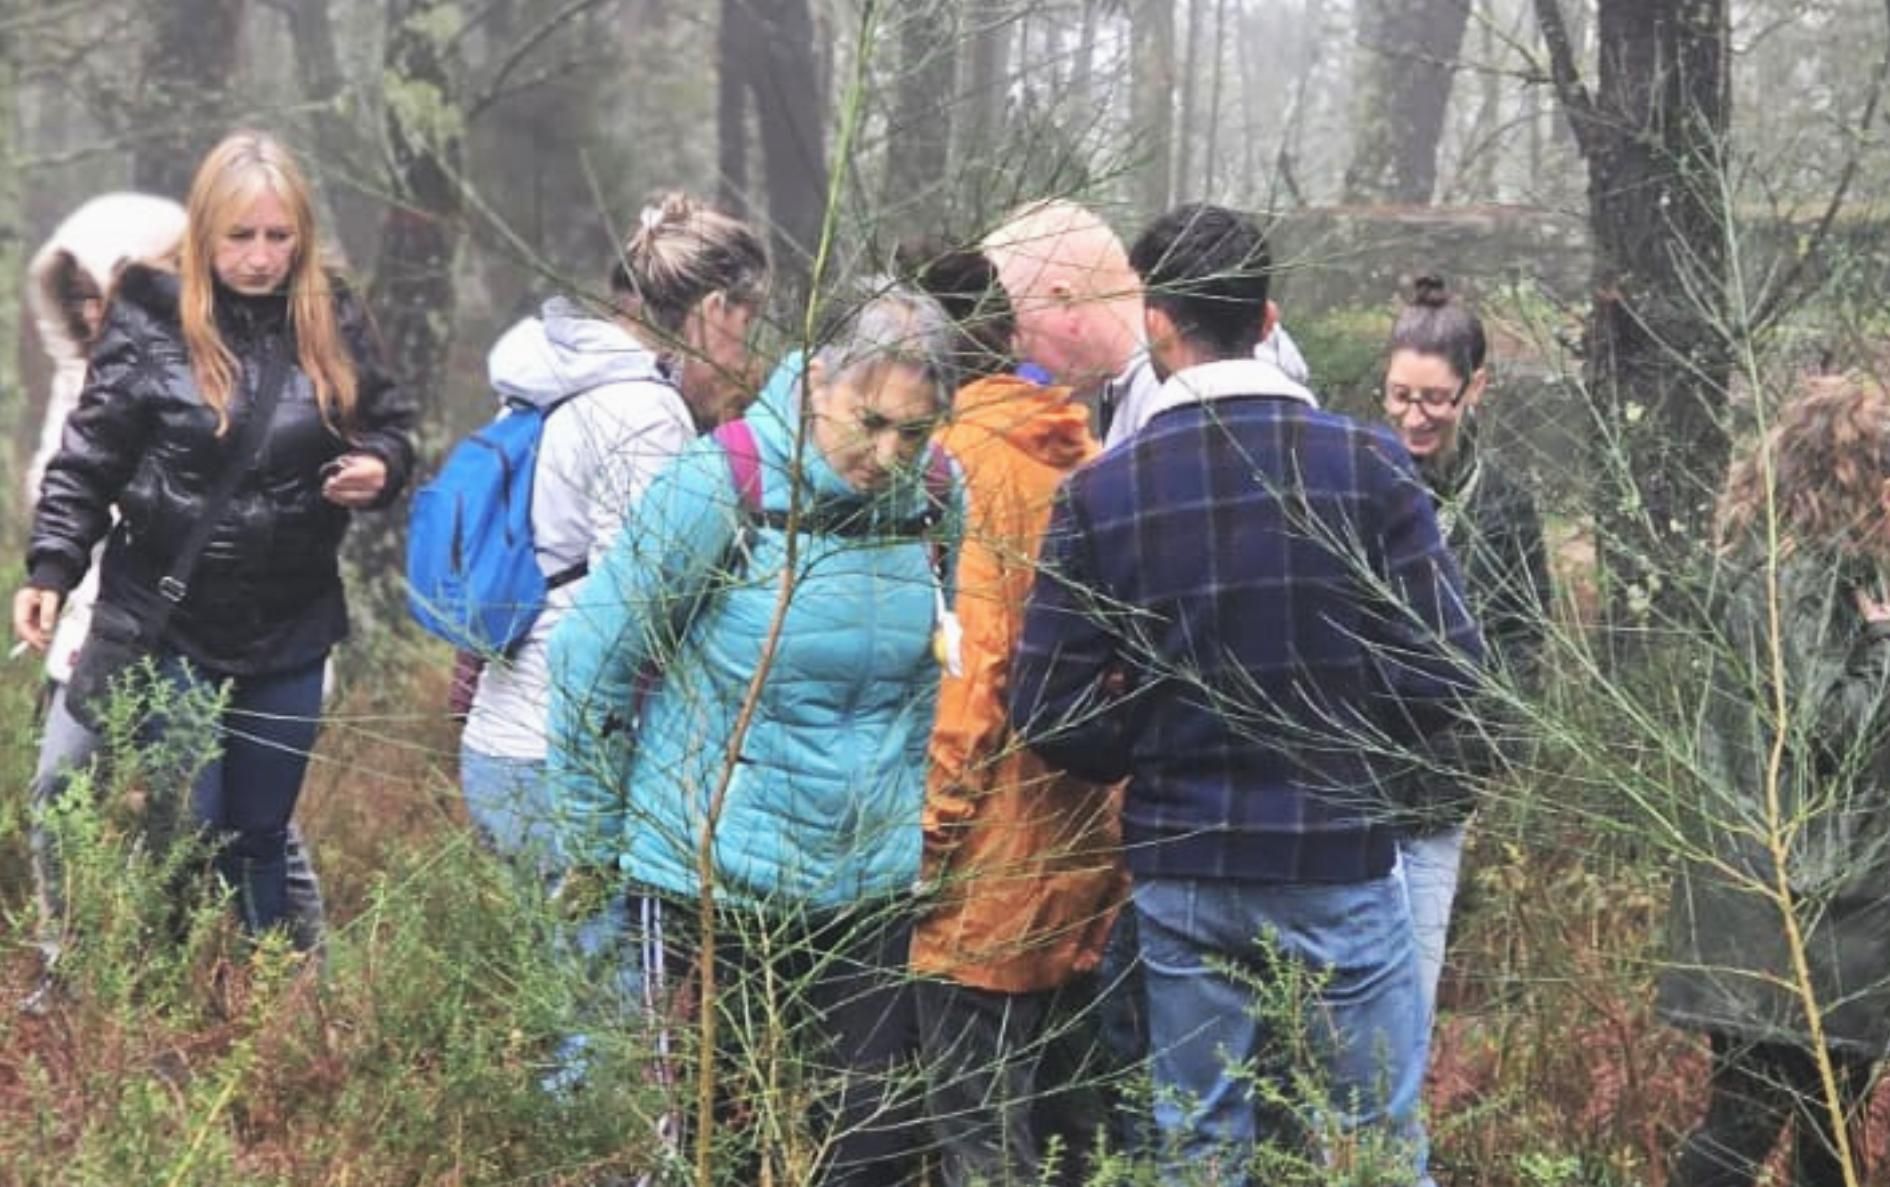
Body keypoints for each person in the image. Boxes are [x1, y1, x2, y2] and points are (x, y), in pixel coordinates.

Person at [1008, 203, 1482, 1185]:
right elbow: (1446, 668)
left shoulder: (1106, 492)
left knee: (1200, 1149)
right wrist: (1335, 722)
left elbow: (1047, 703)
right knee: (1380, 1148)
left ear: (1159, 326)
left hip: (1186, 859)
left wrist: (1157, 729)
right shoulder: (1367, 465)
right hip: (1337, 853)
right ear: (1267, 317)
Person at [547, 281, 964, 1185]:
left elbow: (942, 666)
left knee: (872, 1147)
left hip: (866, 883)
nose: (888, 453)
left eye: (915, 431)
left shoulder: (937, 496)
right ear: (817, 383)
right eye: (871, 421)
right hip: (710, 875)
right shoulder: (718, 485)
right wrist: (592, 840)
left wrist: (920, 830)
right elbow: (591, 661)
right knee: (713, 1147)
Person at [15, 130, 415, 937]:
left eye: (278, 236)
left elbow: (392, 425)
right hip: (174, 623)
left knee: (259, 836)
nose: (262, 257)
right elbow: (88, 455)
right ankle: (162, 1009)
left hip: (291, 621)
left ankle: (274, 1019)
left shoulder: (332, 311)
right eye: (241, 237)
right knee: (187, 828)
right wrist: (51, 568)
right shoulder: (148, 311)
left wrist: (381, 464)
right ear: (204, 232)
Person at [20, 192, 331, 989]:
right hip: (101, 634)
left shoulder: (233, 374)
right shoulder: (75, 382)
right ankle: (70, 968)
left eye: (111, 293)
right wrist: (53, 577)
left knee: (231, 821)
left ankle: (292, 978)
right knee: (60, 787)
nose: (94, 312)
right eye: (80, 297)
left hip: (212, 634)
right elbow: (69, 496)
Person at [898, 239, 1124, 1187]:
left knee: (982, 1140)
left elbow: (972, 669)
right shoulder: (1086, 458)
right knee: (1074, 1135)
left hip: (984, 873)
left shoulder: (958, 468)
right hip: (1083, 854)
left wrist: (928, 841)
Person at [459, 192, 769, 871]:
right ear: (716, 310)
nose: (749, 349)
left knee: (557, 973)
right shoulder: (642, 413)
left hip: (505, 738)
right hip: (568, 761)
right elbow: (638, 623)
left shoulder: (566, 380)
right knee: (624, 978)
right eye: (752, 319)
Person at [1659, 375, 1890, 1187]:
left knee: (1832, 1126)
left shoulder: (1834, 574)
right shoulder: (1794, 580)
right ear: (1856, 476)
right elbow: (1832, 729)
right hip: (1791, 909)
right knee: (1744, 1124)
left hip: (1820, 905)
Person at [1380, 276, 1551, 1047]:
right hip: (1348, 785)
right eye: (1399, 395)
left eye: (1435, 398)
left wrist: (1485, 743)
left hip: (1439, 789)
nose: (1414, 416)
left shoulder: (1505, 502)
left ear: (1475, 388)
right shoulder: (1358, 476)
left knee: (1414, 992)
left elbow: (1522, 638)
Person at [980, 197, 1310, 452]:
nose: (1018, 357)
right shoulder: (1144, 379)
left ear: (1064, 302)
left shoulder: (1188, 382)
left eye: (1018, 332)